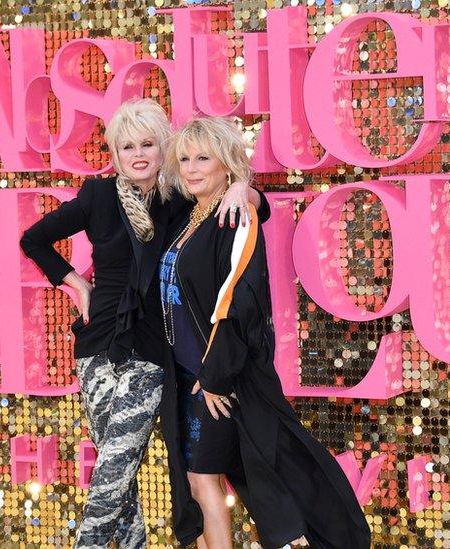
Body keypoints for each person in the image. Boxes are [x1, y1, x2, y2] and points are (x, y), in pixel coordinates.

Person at [19, 99, 266, 549]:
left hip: (149, 353)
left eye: (148, 144)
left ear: (163, 147)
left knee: (114, 467)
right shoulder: (97, 197)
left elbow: (249, 205)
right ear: (115, 152)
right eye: (127, 145)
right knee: (123, 479)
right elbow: (32, 239)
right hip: (95, 349)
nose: (138, 154)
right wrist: (76, 284)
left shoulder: (178, 199)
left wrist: (243, 186)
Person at [156, 116, 371, 548]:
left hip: (217, 382)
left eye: (204, 158)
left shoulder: (231, 216)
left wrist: (215, 376)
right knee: (201, 485)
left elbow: (238, 302)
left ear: (226, 165)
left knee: (205, 480)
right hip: (186, 379)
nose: (193, 168)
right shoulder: (190, 215)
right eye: (184, 159)